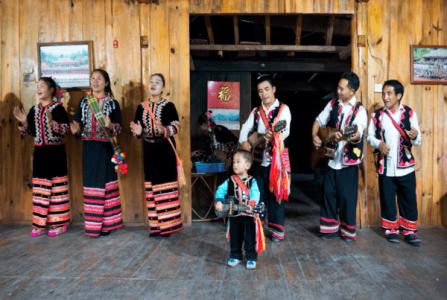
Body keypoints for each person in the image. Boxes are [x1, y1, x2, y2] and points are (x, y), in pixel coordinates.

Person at [311, 71, 367, 242]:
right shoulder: (333, 103)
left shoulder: (360, 111)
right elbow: (319, 121)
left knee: (346, 197)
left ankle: (348, 231)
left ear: (352, 91)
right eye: (338, 87)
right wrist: (315, 136)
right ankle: (328, 230)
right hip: (331, 158)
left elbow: (357, 133)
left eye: (342, 89)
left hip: (348, 161)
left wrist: (345, 136)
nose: (339, 91)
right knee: (328, 193)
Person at [13, 77, 70, 237]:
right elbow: (31, 133)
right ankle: (40, 223)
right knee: (40, 188)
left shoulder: (58, 109)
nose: (38, 89)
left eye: (42, 86)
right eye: (37, 86)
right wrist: (24, 123)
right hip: (39, 154)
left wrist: (54, 124)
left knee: (57, 189)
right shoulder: (34, 110)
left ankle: (59, 223)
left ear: (51, 89)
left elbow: (67, 130)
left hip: (56, 154)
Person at [367, 80, 422, 246]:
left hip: (405, 166)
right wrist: (379, 144)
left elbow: (418, 140)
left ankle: (409, 232)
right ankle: (391, 230)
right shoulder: (377, 116)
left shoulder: (410, 113)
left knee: (408, 199)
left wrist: (414, 136)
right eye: (384, 93)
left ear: (398, 96)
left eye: (389, 93)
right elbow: (369, 137)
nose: (385, 97)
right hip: (386, 166)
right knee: (387, 198)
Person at [71, 69, 123, 238]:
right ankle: (93, 227)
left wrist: (111, 125)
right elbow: (78, 125)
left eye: (99, 78)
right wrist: (75, 129)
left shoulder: (112, 103)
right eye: (92, 78)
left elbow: (119, 128)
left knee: (106, 185)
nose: (95, 81)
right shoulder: (84, 102)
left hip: (106, 149)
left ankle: (108, 225)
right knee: (92, 185)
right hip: (89, 149)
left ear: (106, 82)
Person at [239, 75, 291, 242]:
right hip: (258, 161)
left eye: (267, 89)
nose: (264, 94)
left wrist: (273, 135)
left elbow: (285, 131)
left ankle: (276, 231)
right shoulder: (255, 112)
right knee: (258, 195)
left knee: (277, 196)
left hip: (277, 161)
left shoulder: (284, 110)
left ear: (273, 89)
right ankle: (258, 229)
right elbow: (245, 128)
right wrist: (245, 143)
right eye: (260, 91)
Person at [130, 73, 183, 237]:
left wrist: (165, 130)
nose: (153, 84)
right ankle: (156, 226)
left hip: (165, 150)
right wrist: (137, 132)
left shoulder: (168, 106)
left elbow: (176, 126)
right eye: (151, 82)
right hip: (149, 150)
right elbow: (136, 129)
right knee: (151, 187)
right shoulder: (141, 107)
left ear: (163, 87)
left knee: (165, 187)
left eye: (157, 82)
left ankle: (168, 226)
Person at [215, 150, 262, 270]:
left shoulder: (252, 181)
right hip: (234, 215)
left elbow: (255, 194)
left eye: (238, 162)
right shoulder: (230, 180)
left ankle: (251, 257)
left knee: (250, 237)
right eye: (233, 162)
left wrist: (251, 204)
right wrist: (219, 201)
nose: (234, 164)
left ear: (247, 165)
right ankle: (235, 255)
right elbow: (220, 190)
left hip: (249, 215)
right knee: (235, 236)